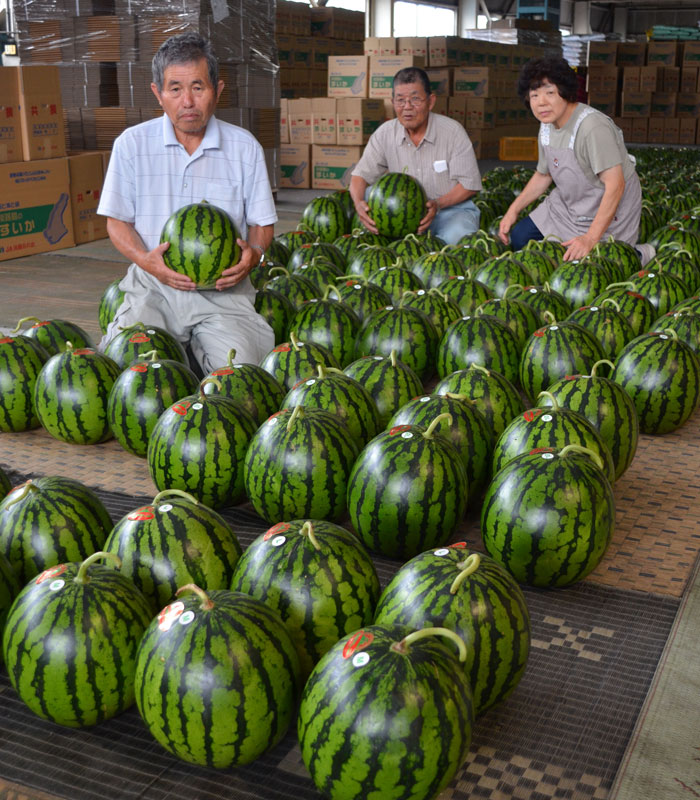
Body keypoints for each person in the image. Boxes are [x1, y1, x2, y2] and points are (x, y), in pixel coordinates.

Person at [97, 32, 276, 374]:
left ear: (217, 90)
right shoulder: (131, 145)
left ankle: (193, 353)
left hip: (225, 294)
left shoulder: (244, 147)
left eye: (198, 87)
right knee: (126, 375)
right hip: (153, 287)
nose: (187, 101)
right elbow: (116, 222)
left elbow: (262, 224)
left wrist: (254, 255)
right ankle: (187, 355)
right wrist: (146, 261)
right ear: (158, 94)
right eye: (175, 89)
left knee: (242, 381)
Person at [498, 56, 653, 264]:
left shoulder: (592, 127)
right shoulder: (546, 125)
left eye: (550, 93)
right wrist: (512, 211)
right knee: (520, 238)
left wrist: (590, 238)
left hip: (609, 206)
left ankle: (641, 254)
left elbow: (616, 185)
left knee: (598, 265)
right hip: (570, 206)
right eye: (534, 95)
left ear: (566, 92)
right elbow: (543, 175)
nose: (541, 102)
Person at [349, 66, 482, 245]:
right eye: (400, 100)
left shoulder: (452, 132)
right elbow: (359, 176)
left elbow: (469, 184)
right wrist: (358, 203)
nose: (407, 107)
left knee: (457, 240)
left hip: (450, 211)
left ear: (431, 101)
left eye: (415, 99)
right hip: (400, 214)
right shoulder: (385, 133)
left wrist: (437, 204)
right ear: (392, 102)